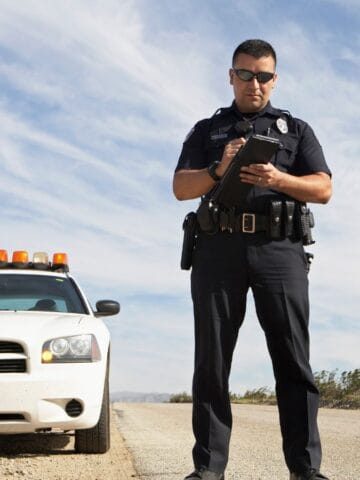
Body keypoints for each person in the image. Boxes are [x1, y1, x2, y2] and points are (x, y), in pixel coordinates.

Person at [173, 39, 332, 480]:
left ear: (274, 79)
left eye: (263, 76)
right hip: (218, 249)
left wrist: (279, 178)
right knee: (212, 361)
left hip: (280, 250)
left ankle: (305, 470)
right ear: (231, 76)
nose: (254, 84)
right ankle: (208, 470)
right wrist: (217, 170)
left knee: (293, 361)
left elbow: (323, 188)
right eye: (245, 74)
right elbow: (181, 187)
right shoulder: (209, 129)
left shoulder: (295, 129)